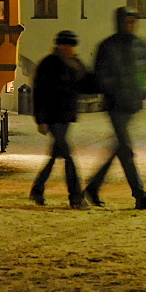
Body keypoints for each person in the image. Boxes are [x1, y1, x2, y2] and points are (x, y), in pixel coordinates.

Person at [85, 7, 146, 210]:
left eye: (133, 21)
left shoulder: (139, 45)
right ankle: (140, 195)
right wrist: (112, 89)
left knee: (120, 148)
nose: (130, 25)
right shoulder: (108, 46)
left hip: (131, 103)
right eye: (127, 22)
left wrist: (142, 90)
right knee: (125, 149)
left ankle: (93, 187)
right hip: (116, 104)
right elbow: (100, 74)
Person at [30, 30, 97, 210]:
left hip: (66, 117)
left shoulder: (75, 64)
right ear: (60, 45)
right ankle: (75, 197)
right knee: (67, 155)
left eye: (73, 46)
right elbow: (39, 93)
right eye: (68, 45)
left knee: (55, 156)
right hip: (52, 118)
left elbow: (87, 87)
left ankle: (37, 189)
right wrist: (41, 119)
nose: (71, 49)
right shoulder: (48, 64)